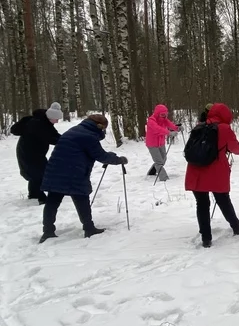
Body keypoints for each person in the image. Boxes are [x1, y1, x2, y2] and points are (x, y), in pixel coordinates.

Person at [40, 114, 127, 244]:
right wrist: (119, 160)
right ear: (99, 126)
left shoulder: (74, 130)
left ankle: (47, 231)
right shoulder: (88, 136)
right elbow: (100, 155)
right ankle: (89, 227)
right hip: (74, 173)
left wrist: (110, 155)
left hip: (55, 171)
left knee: (52, 202)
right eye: (103, 129)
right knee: (82, 199)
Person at [185, 103, 239, 248]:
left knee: (202, 204)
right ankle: (236, 226)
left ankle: (206, 238)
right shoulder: (224, 128)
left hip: (196, 170)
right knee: (223, 200)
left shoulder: (198, 126)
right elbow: (236, 149)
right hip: (215, 171)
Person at [10, 102, 62, 204]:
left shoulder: (45, 123)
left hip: (36, 153)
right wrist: (66, 141)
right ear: (51, 117)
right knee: (38, 174)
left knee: (40, 172)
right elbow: (52, 138)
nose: (57, 121)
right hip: (27, 153)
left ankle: (35, 195)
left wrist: (67, 140)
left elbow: (55, 136)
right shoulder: (38, 124)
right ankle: (39, 197)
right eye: (56, 119)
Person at [145, 104, 179, 181]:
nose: (164, 116)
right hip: (152, 144)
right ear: (157, 113)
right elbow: (157, 129)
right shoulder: (151, 121)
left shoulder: (164, 119)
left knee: (163, 159)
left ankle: (152, 172)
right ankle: (164, 178)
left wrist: (177, 128)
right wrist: (169, 133)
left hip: (161, 143)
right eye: (162, 114)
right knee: (159, 161)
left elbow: (169, 124)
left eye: (165, 114)